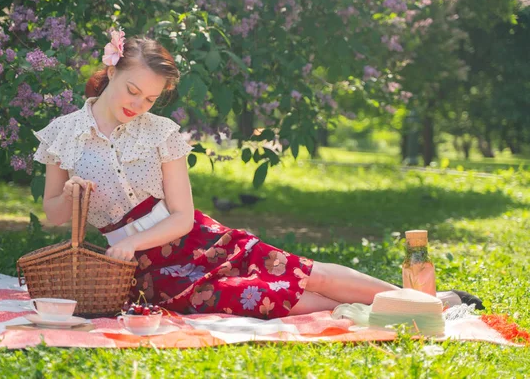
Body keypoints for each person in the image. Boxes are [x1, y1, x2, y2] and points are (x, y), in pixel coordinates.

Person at [33, 29, 483, 319]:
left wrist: (133, 239)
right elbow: (53, 214)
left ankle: (423, 305)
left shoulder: (161, 133)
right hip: (148, 271)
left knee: (303, 272)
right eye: (132, 90)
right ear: (110, 70)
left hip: (195, 238)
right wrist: (74, 197)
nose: (137, 104)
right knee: (273, 298)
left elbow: (183, 217)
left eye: (149, 99)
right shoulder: (64, 133)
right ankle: (415, 311)